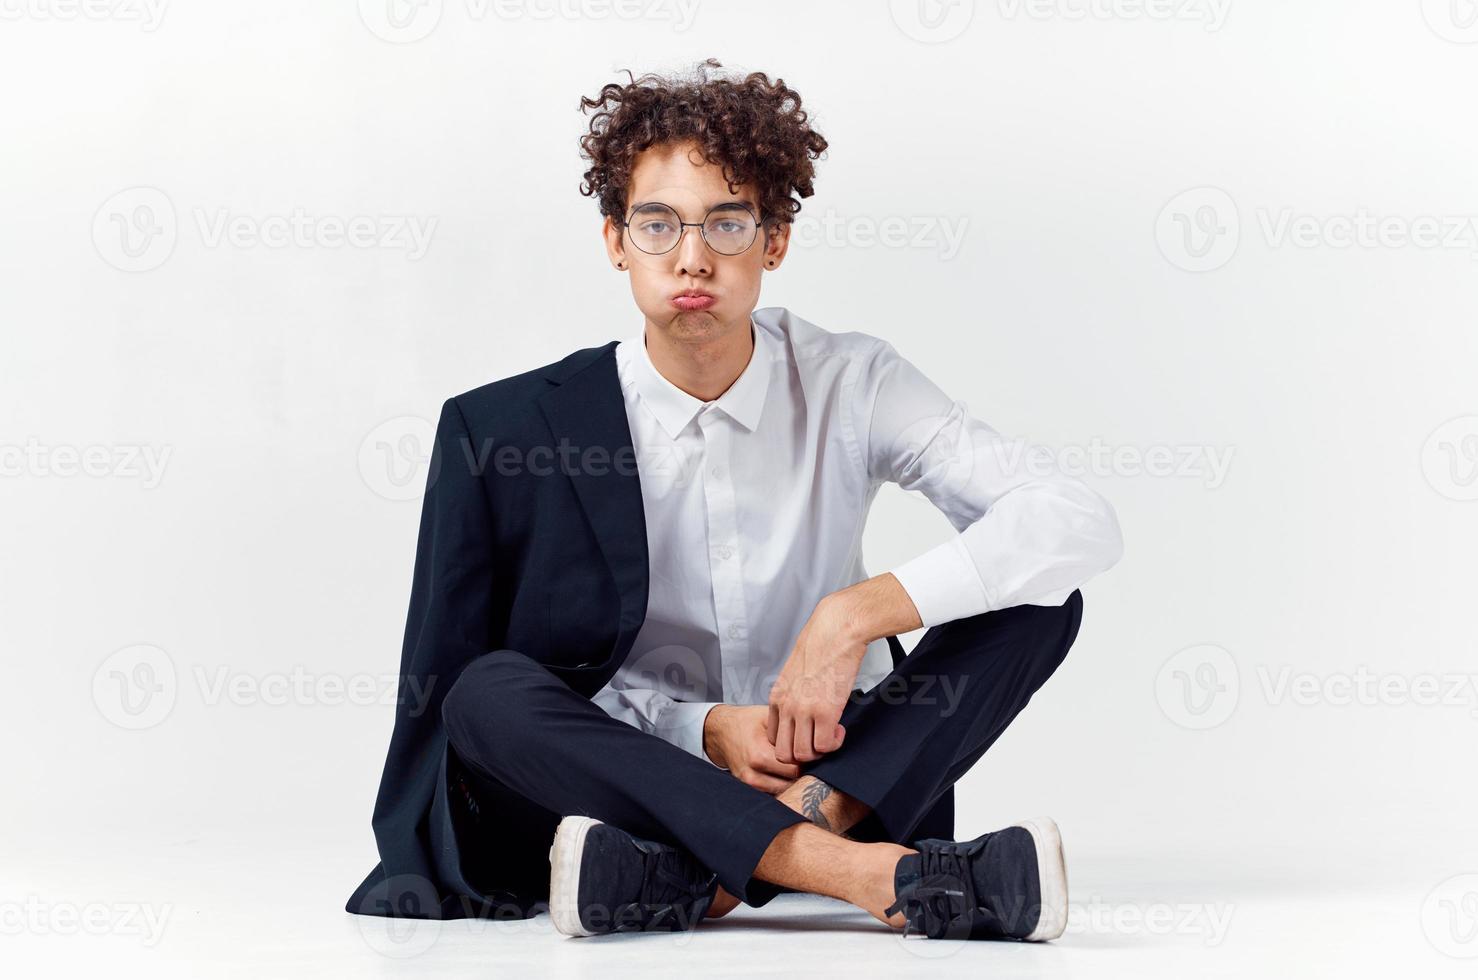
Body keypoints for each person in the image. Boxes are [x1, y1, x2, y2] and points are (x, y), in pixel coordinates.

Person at [347, 59, 1123, 942]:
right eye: (657, 224)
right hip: (630, 784)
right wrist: (707, 730)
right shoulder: (505, 427)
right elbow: (451, 701)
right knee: (486, 693)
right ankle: (861, 873)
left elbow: (1077, 519)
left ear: (775, 240)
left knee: (1039, 600)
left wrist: (852, 616)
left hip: (841, 765)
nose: (692, 257)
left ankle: (701, 881)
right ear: (613, 239)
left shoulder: (852, 383)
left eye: (727, 222)